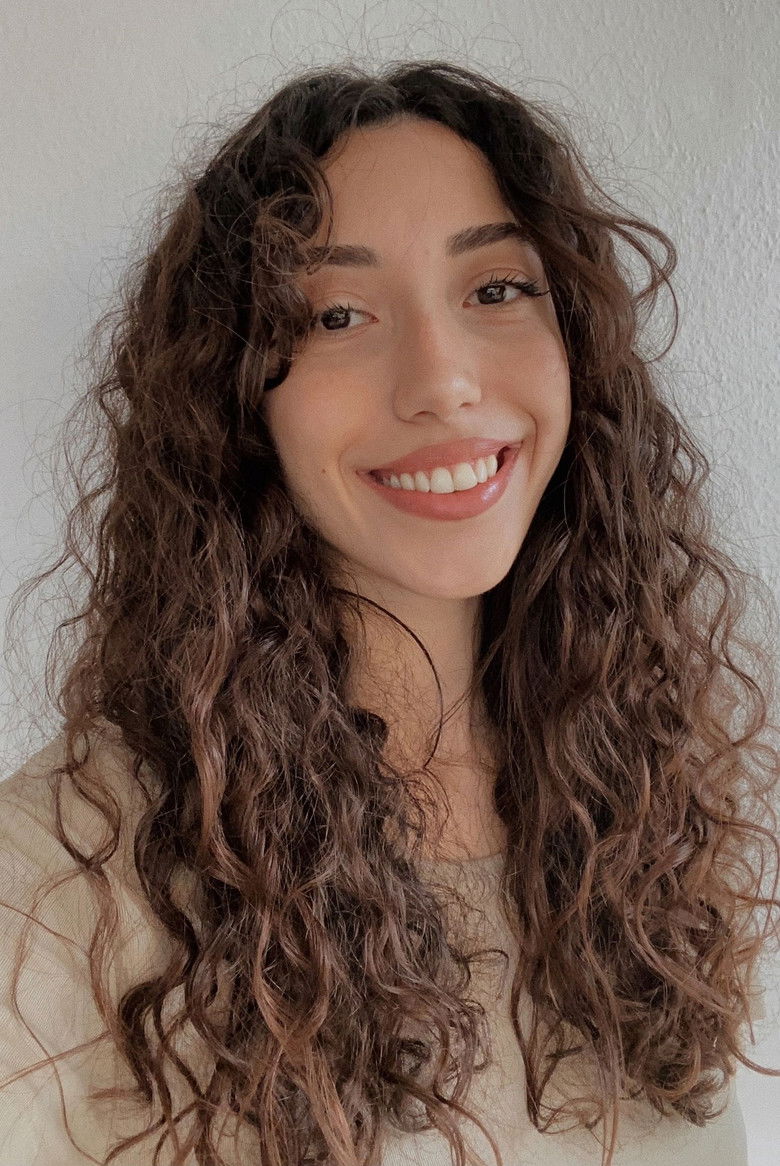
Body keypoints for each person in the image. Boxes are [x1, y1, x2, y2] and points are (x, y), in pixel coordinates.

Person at [0, 59, 776, 1166]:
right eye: (337, 313)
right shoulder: (53, 885)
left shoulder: (659, 800)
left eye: (496, 289)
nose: (443, 380)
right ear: (236, 395)